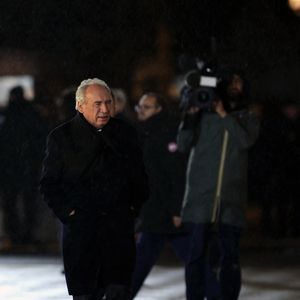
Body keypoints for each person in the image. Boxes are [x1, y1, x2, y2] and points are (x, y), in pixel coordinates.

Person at [40, 78, 148, 300]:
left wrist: (131, 210)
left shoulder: (125, 134)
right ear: (80, 106)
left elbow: (140, 178)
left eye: (109, 103)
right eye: (97, 104)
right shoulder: (62, 137)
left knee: (118, 291)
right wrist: (70, 213)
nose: (105, 109)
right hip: (82, 235)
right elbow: (49, 184)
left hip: (118, 234)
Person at [177, 72, 259, 300]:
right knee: (196, 257)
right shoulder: (202, 115)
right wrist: (190, 117)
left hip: (231, 202)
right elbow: (182, 145)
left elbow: (244, 141)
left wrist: (224, 115)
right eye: (230, 81)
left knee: (230, 259)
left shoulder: (248, 117)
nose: (234, 85)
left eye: (239, 81)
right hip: (200, 200)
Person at [130, 93, 189, 298]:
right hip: (154, 208)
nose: (141, 111)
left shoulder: (164, 133)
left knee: (144, 259)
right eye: (140, 106)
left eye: (147, 107)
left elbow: (174, 175)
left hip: (162, 209)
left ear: (158, 110)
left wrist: (175, 209)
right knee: (189, 257)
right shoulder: (143, 132)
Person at [0, 86, 47, 249]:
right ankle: (27, 234)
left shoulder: (7, 115)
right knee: (29, 203)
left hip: (10, 166)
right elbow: (41, 138)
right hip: (27, 165)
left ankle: (15, 235)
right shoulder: (32, 113)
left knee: (11, 203)